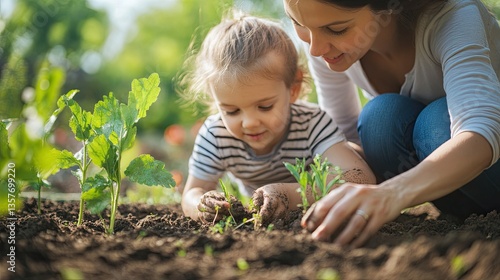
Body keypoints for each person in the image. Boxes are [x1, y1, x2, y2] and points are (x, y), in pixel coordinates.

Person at [277, 0, 500, 247]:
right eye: (297, 22)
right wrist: (289, 193)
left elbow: (481, 132)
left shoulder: (453, 16)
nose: (315, 49)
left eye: (337, 29)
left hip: (486, 160)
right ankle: (463, 221)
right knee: (379, 119)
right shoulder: (324, 42)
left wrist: (392, 193)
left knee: (436, 124)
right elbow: (345, 148)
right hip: (453, 193)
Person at [178, 11, 376, 224]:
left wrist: (287, 194)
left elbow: (361, 177)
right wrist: (202, 204)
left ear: (293, 89)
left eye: (264, 106)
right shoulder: (215, 135)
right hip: (263, 216)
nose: (250, 122)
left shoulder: (311, 124)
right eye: (231, 111)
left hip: (311, 208)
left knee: (355, 153)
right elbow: (191, 193)